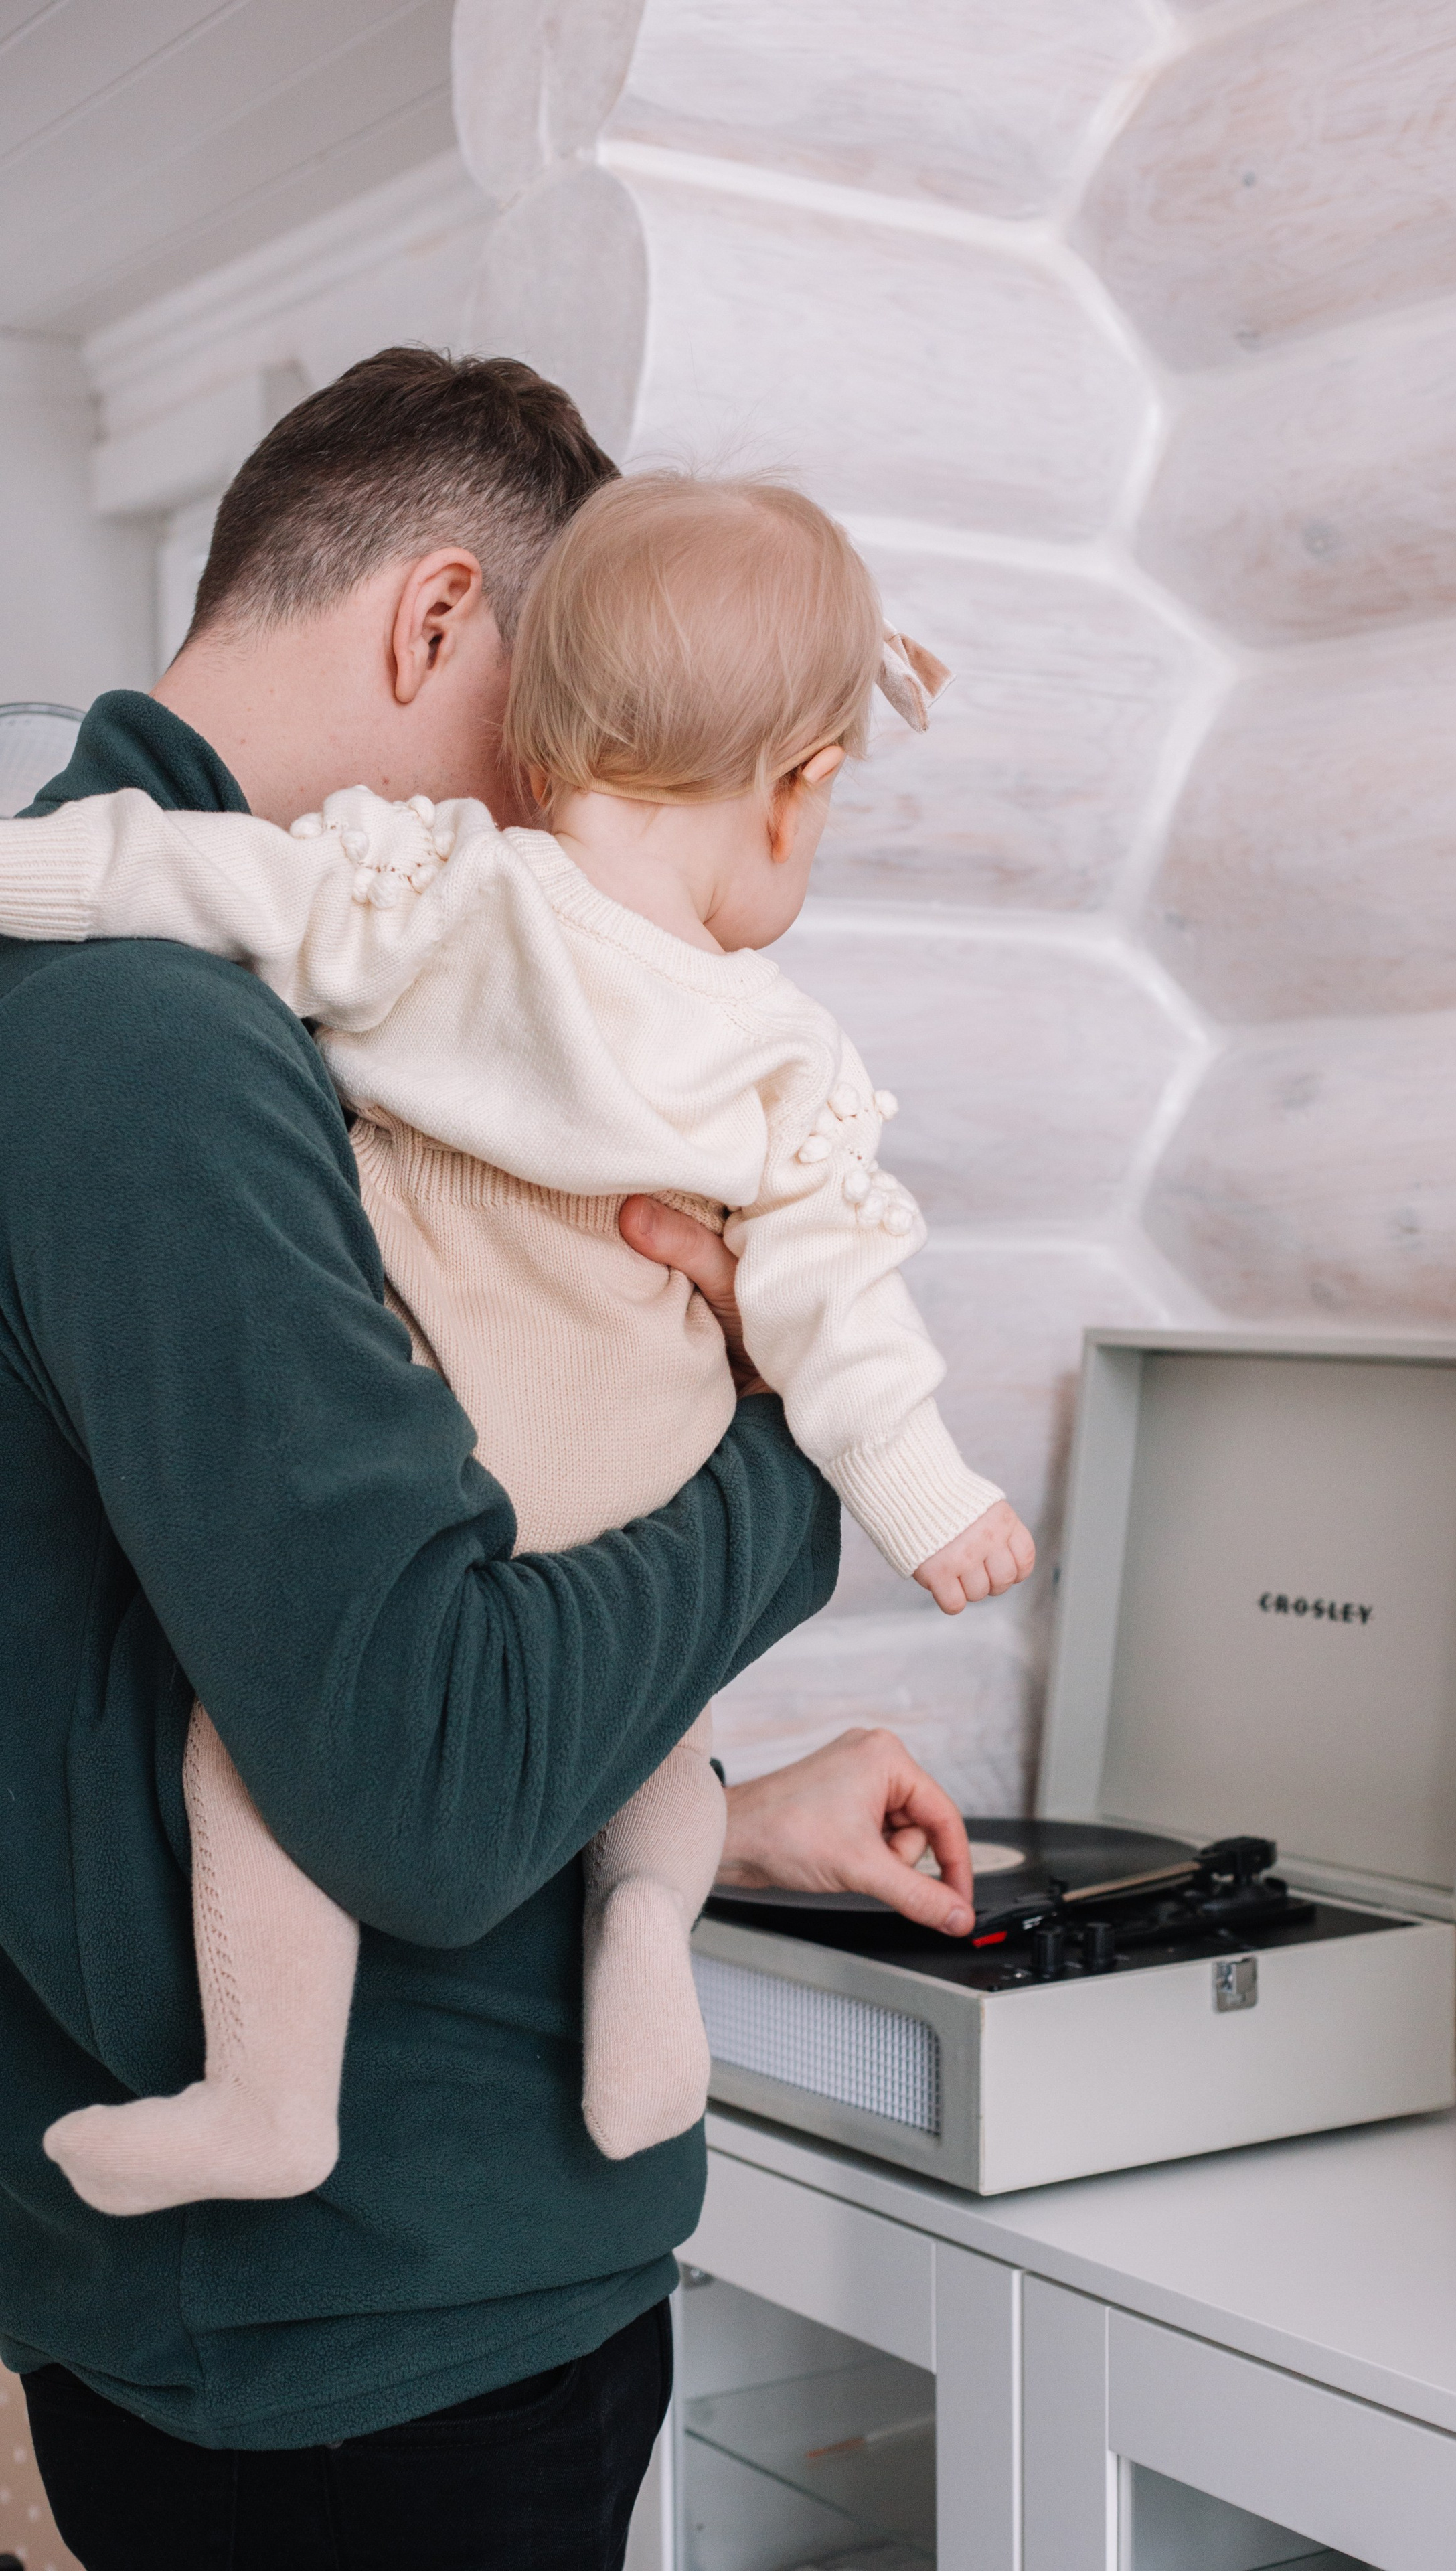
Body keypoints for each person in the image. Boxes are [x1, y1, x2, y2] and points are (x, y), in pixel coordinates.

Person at [0, 348, 977, 2571]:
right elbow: (424, 1794)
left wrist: (724, 1814)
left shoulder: (233, 1006)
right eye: (569, 737)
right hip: (368, 2356)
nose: (573, 815)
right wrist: (788, 1465)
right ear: (441, 622)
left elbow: (238, 1654)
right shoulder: (157, 1046)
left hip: (353, 2327)